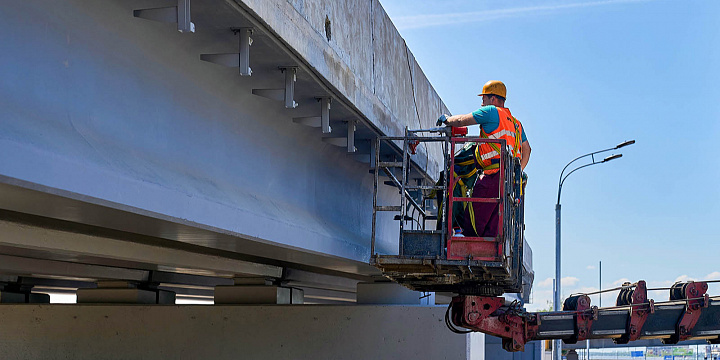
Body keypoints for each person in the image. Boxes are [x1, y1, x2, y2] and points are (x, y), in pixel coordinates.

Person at [436, 80, 531, 237]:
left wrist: (446, 119)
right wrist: (518, 171)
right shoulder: (516, 124)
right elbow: (527, 149)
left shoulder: (491, 111)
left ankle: (464, 242)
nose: (482, 103)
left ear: (492, 99)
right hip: (508, 181)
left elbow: (461, 120)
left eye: (484, 98)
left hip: (491, 176)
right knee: (494, 223)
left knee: (474, 218)